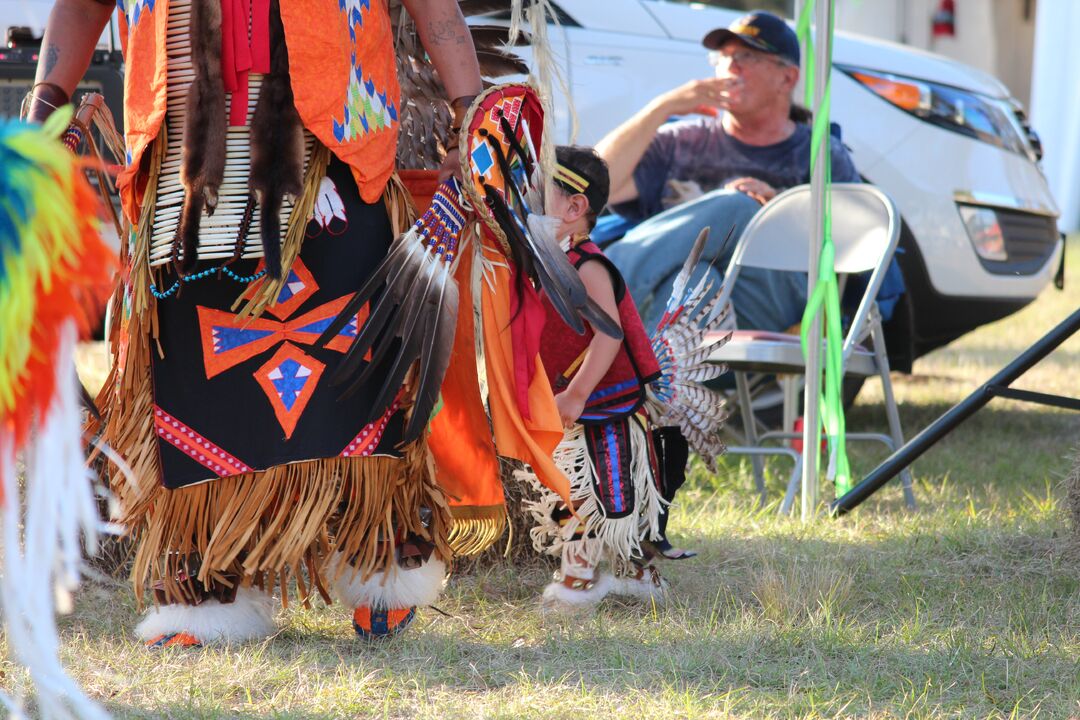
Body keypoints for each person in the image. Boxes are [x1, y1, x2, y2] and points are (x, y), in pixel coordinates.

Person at [27, 0, 487, 646]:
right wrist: (47, 103)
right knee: (200, 371)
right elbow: (81, 6)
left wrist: (471, 113)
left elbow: (434, 9)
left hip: (338, 141)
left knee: (355, 352)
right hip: (191, 146)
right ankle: (211, 579)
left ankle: (378, 552)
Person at [595, 10, 861, 333]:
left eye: (746, 55)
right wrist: (661, 108)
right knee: (697, 277)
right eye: (723, 57)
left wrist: (780, 208)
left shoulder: (819, 152)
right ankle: (658, 381)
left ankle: (598, 296)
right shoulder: (681, 140)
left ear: (787, 78)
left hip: (777, 307)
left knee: (739, 206)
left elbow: (855, 245)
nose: (730, 67)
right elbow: (595, 187)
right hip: (690, 314)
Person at [519, 146, 676, 611]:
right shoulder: (548, 257)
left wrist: (578, 393)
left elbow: (609, 336)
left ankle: (617, 575)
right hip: (571, 402)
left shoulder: (588, 265)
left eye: (538, 192)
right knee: (570, 489)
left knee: (610, 495)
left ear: (573, 207)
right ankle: (583, 572)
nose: (527, 199)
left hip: (604, 405)